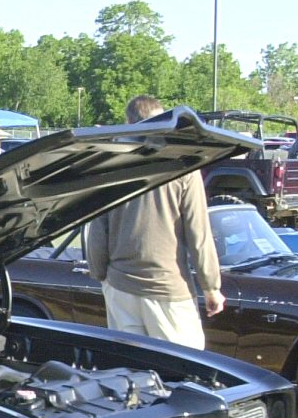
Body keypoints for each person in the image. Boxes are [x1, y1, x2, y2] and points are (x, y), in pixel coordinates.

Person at [85, 95, 224, 350]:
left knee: (128, 371)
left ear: (129, 122)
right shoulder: (183, 166)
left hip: (120, 287)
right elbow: (198, 232)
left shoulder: (111, 166)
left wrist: (100, 275)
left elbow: (97, 227)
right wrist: (211, 286)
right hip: (168, 289)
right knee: (183, 370)